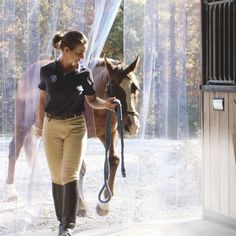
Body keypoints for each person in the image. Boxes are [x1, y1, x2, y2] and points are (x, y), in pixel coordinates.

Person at [33, 31, 116, 236]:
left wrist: (105, 104)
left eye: (84, 53)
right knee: (57, 176)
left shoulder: (83, 73)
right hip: (52, 126)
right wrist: (40, 125)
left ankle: (66, 227)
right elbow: (42, 100)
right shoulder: (47, 71)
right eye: (79, 53)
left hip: (76, 126)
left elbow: (91, 100)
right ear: (66, 50)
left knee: (69, 174)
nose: (82, 57)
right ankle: (62, 220)